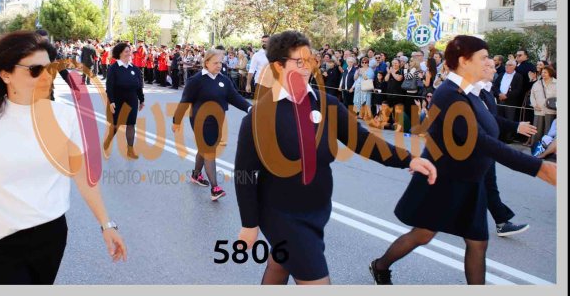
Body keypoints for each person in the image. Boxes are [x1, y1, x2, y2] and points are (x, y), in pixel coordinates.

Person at [234, 31, 437, 285]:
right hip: (281, 213)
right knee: (314, 278)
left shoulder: (326, 104)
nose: (307, 67)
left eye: (310, 59)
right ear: (278, 66)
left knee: (281, 263)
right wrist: (249, 224)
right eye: (299, 61)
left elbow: (362, 140)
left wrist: (409, 159)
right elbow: (244, 173)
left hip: (317, 209)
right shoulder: (259, 116)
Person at [369, 35, 556, 285]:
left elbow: (489, 127)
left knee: (478, 242)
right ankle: (380, 266)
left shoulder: (472, 93)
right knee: (423, 234)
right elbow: (480, 140)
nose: (490, 62)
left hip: (471, 180)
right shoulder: (448, 94)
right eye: (483, 58)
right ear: (464, 61)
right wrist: (539, 167)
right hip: (443, 180)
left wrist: (515, 130)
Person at [0, 31, 126, 285]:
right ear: (5, 74)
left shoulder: (65, 117)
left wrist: (106, 224)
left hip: (51, 236)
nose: (46, 77)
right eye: (35, 70)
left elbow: (83, 175)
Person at [173, 49, 252, 201]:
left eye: (220, 62)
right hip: (200, 120)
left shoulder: (224, 80)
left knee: (205, 148)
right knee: (209, 150)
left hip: (217, 120)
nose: (219, 65)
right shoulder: (196, 80)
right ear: (207, 62)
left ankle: (196, 175)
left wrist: (249, 108)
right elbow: (184, 101)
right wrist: (176, 121)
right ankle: (215, 188)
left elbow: (234, 97)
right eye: (215, 63)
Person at [475, 57, 537, 237]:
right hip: (478, 147)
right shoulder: (472, 92)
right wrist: (516, 126)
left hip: (487, 145)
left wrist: (516, 126)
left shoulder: (487, 91)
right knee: (481, 185)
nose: (495, 70)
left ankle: (501, 222)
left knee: (486, 185)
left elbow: (491, 118)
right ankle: (501, 222)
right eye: (490, 67)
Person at [103, 42, 145, 160]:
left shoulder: (135, 69)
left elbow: (139, 86)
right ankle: (108, 140)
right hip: (117, 100)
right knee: (116, 125)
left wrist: (141, 100)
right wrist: (111, 101)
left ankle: (130, 150)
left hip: (132, 100)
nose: (129, 53)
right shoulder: (114, 68)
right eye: (126, 51)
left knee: (131, 124)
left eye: (129, 51)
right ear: (120, 53)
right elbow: (109, 86)